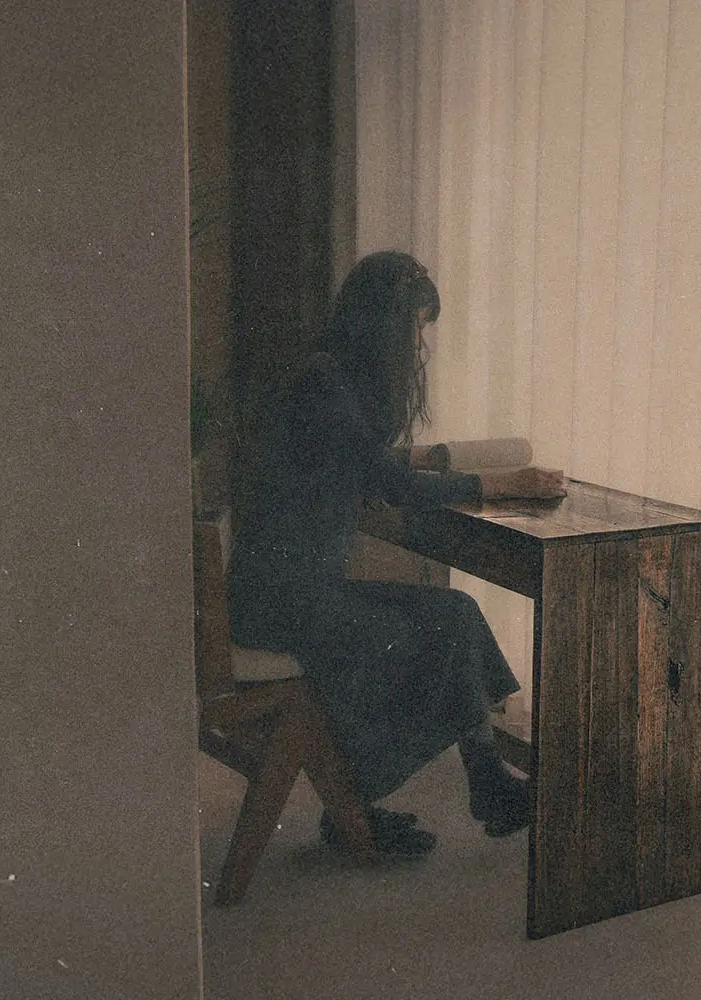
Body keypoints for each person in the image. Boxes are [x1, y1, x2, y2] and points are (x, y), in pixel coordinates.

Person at [227, 250, 565, 856]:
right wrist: (503, 483)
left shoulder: (324, 378)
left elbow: (362, 464)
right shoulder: (326, 384)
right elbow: (394, 487)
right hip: (284, 602)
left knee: (455, 617)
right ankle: (354, 800)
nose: (418, 345)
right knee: (427, 637)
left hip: (290, 589)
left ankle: (484, 781)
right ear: (387, 323)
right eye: (415, 327)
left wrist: (434, 460)